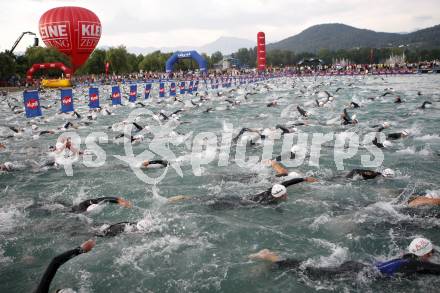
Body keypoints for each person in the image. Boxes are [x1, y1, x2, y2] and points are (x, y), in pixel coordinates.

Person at [249, 237, 440, 278]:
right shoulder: (413, 264)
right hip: (358, 271)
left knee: (315, 270)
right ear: (427, 254)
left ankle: (273, 259)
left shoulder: (409, 256)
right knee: (312, 273)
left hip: (360, 266)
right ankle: (270, 257)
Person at [168, 177, 318, 207]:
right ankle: (186, 200)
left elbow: (286, 182)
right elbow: (285, 184)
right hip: (240, 203)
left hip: (239, 197)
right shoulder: (269, 202)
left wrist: (304, 179)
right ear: (282, 195)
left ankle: (185, 197)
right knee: (211, 205)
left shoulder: (270, 191)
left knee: (208, 199)